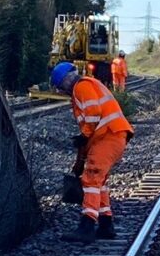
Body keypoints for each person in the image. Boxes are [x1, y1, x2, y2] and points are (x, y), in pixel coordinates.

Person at [51, 60, 133, 243]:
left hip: (109, 137)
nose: (61, 91)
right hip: (113, 136)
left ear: (65, 80)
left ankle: (87, 226)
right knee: (99, 182)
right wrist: (80, 156)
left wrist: (85, 135)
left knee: (91, 178)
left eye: (60, 86)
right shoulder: (89, 84)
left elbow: (93, 113)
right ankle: (105, 224)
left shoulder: (81, 86)